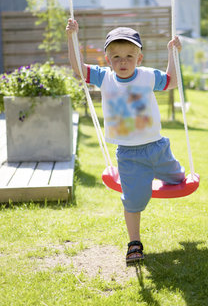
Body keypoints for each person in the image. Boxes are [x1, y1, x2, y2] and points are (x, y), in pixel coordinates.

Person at [66, 19, 185, 265]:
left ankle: (161, 175)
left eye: (129, 56)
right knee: (133, 201)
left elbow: (172, 81)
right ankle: (134, 243)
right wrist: (72, 37)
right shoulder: (104, 78)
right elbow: (78, 67)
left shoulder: (148, 76)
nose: (123, 62)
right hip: (129, 155)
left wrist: (172, 53)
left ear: (139, 59)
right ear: (108, 60)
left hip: (158, 147)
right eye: (117, 56)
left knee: (179, 180)